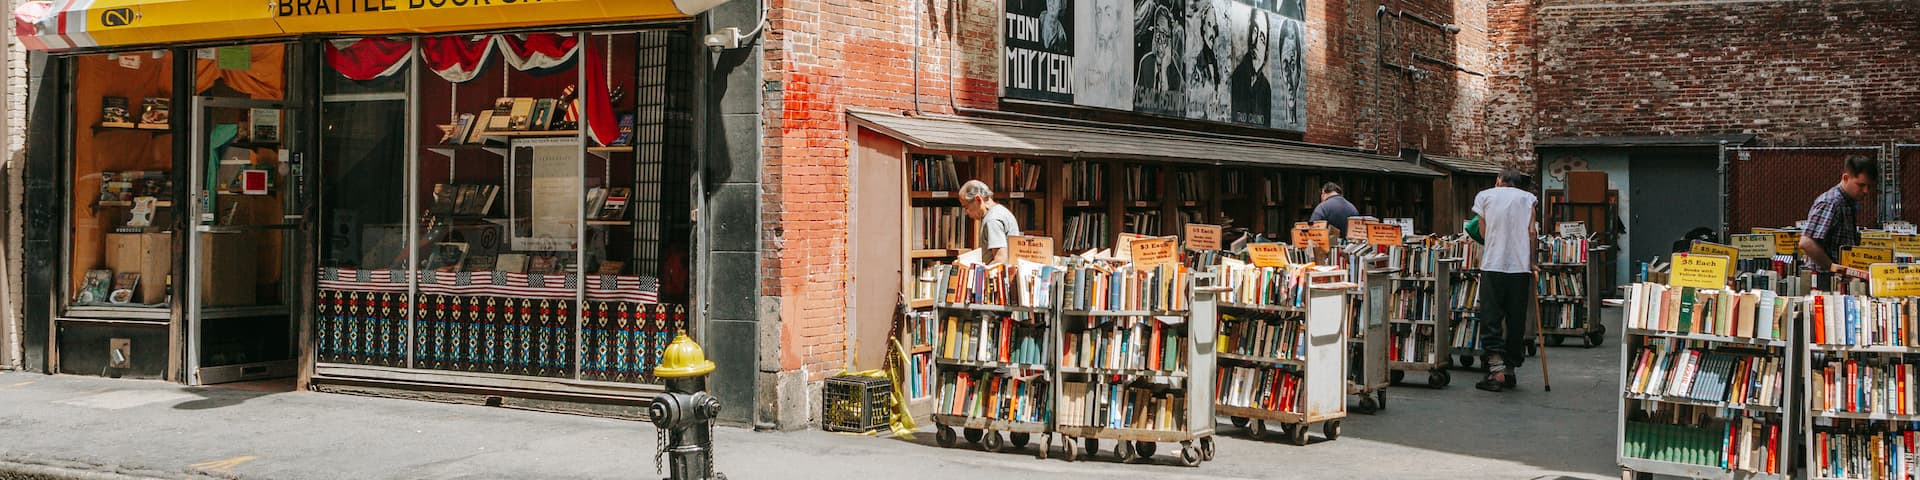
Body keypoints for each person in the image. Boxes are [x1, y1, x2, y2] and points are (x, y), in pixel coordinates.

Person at [1474, 170, 1538, 392]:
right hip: (1519, 267)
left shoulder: (1484, 196)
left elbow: (1483, 231)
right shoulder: (1528, 199)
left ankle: (1496, 369)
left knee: (1491, 316)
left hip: (1493, 264)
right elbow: (1532, 233)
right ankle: (1510, 369)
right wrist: (1532, 262)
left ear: (1498, 181)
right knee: (1515, 318)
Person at [1798, 154, 1877, 273]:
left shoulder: (1849, 202)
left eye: (1869, 186)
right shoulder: (1831, 202)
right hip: (1824, 279)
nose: (1866, 191)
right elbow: (1807, 242)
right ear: (1846, 178)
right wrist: (1830, 266)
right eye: (1861, 185)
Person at [961, 180, 1019, 265]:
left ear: (978, 199)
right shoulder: (1002, 211)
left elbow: (1000, 260)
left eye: (966, 207)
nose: (966, 212)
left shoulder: (992, 220)